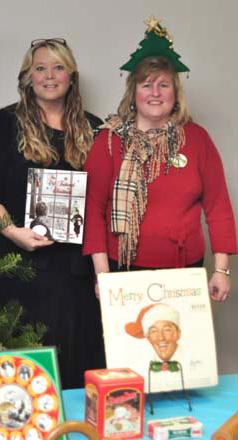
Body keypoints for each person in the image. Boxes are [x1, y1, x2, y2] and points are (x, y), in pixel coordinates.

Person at [83, 17, 237, 302]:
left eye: (164, 85)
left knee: (180, 346)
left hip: (185, 273)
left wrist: (222, 270)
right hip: (122, 273)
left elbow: (218, 206)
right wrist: (102, 275)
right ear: (134, 93)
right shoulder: (108, 141)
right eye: (146, 84)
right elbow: (92, 210)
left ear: (175, 94)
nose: (155, 93)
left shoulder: (197, 139)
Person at [0, 38, 105, 388]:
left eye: (58, 67)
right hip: (21, 266)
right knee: (30, 373)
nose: (49, 75)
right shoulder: (5, 123)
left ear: (71, 76)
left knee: (80, 361)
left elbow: (105, 195)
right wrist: (11, 230)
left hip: (78, 268)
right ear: (27, 77)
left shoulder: (94, 128)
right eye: (40, 68)